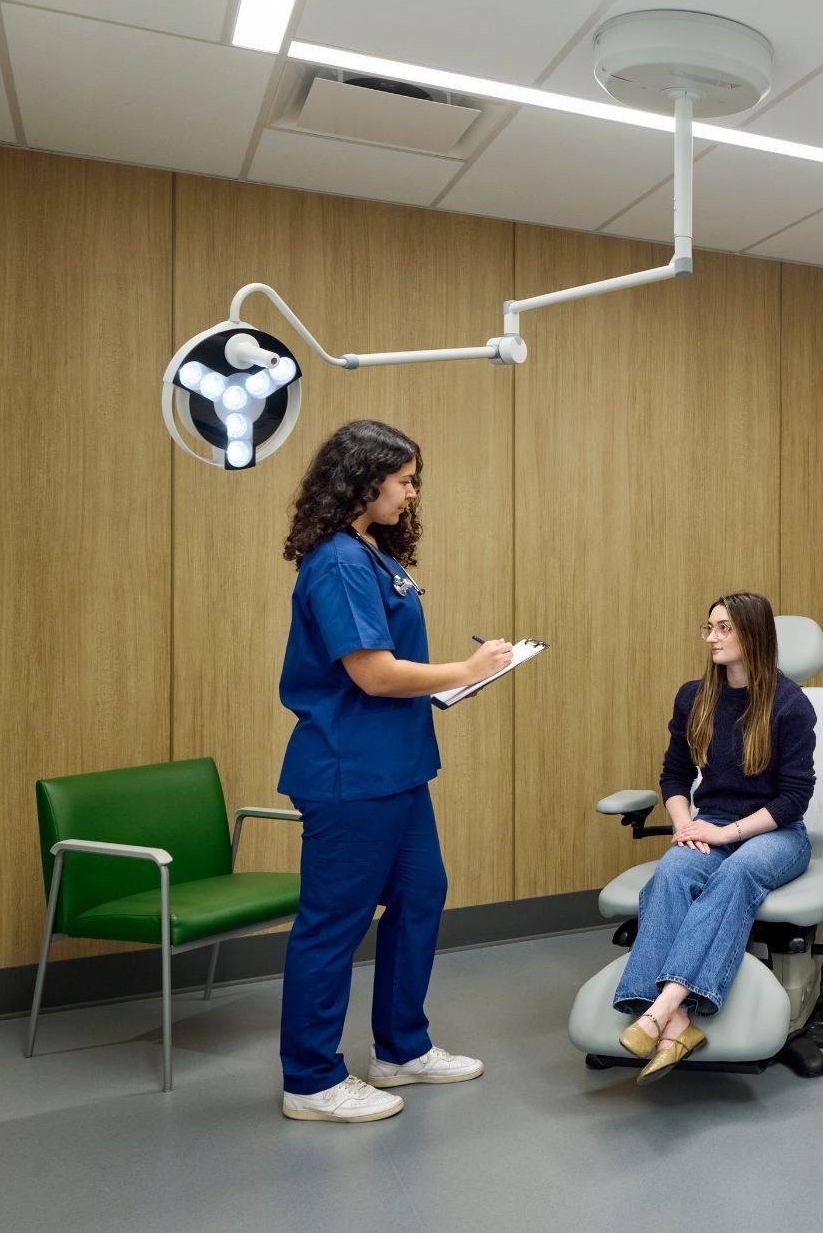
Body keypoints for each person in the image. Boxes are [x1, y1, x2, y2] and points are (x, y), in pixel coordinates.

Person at [275, 419, 510, 1124]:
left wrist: (461, 678)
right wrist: (464, 669)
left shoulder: (371, 555)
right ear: (364, 479)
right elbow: (373, 676)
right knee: (333, 924)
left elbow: (395, 670)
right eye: (404, 481)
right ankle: (311, 1080)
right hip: (351, 773)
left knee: (422, 894)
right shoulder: (339, 563)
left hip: (397, 769)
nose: (411, 495)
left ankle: (401, 1048)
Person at [613, 591, 817, 1084]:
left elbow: (793, 799)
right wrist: (684, 824)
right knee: (672, 872)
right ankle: (677, 1022)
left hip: (775, 832)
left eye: (724, 628)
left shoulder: (791, 705)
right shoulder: (694, 697)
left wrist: (727, 832)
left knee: (739, 872)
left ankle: (662, 1007)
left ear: (754, 634)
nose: (712, 638)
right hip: (711, 823)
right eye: (708, 628)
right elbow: (675, 775)